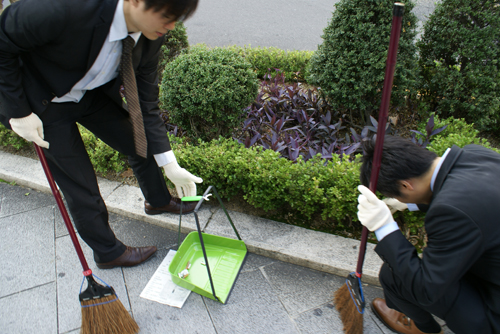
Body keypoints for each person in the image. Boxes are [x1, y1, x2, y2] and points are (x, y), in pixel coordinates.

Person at [0, 0, 202, 269]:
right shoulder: (66, 8)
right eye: (166, 16)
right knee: (80, 184)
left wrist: (169, 162)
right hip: (42, 103)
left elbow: (145, 103)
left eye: (177, 18)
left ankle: (158, 200)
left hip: (90, 95)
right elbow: (3, 42)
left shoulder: (152, 35)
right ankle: (108, 252)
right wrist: (18, 112)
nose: (171, 26)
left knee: (138, 140)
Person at [357, 135, 500, 334]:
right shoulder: (475, 154)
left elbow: (426, 289)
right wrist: (410, 203)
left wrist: (383, 227)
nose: (395, 198)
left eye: (394, 194)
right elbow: (474, 204)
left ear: (406, 185)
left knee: (394, 276)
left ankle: (424, 329)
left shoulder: (451, 211)